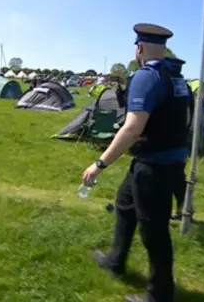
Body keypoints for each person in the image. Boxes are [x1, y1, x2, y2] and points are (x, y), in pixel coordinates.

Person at [81, 23, 192, 302]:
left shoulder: (147, 76)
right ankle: (115, 261)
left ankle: (160, 294)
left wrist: (99, 164)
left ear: (139, 48)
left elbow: (132, 128)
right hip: (169, 160)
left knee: (154, 230)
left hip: (154, 166)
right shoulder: (177, 77)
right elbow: (187, 119)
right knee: (125, 204)